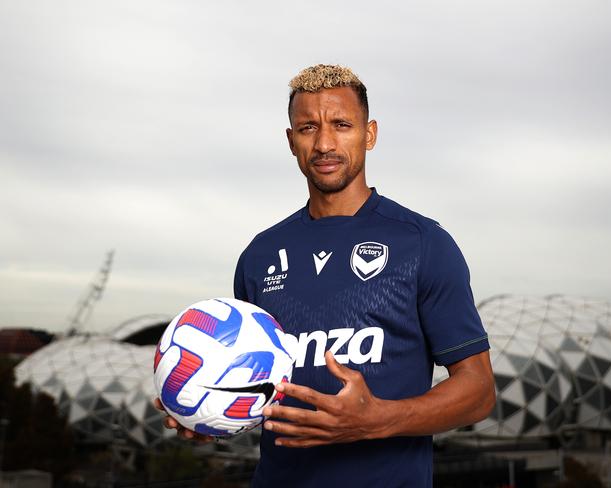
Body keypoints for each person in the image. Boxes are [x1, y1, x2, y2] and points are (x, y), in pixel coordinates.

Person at [158, 64, 495, 487]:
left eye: (341, 125)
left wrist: (377, 420)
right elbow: (261, 385)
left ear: (369, 134)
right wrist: (210, 413)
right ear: (290, 140)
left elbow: (479, 391)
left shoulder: (423, 244)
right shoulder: (259, 256)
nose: (324, 144)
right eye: (307, 128)